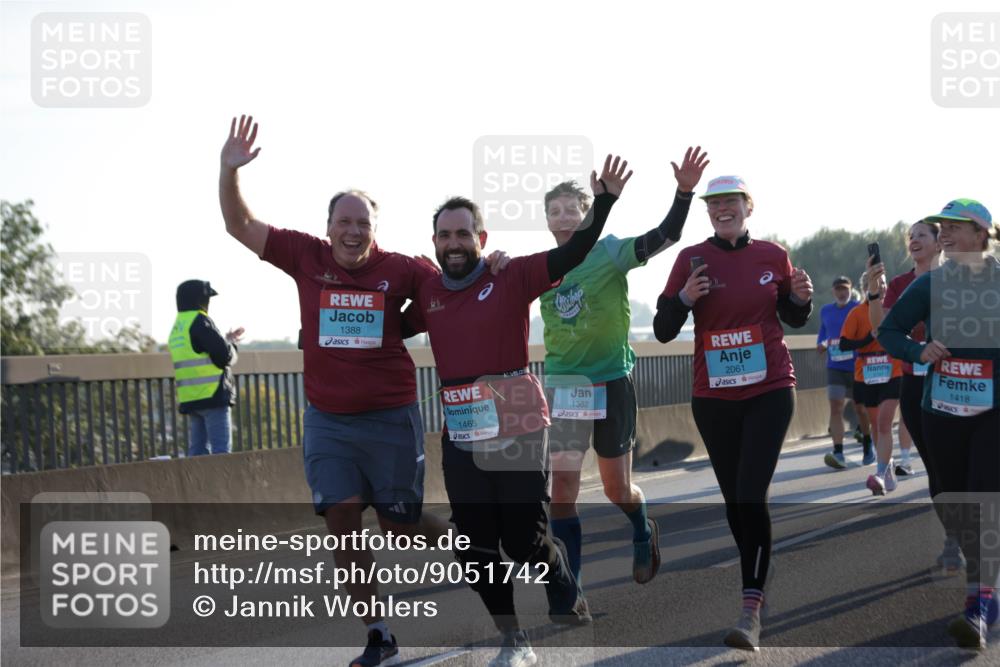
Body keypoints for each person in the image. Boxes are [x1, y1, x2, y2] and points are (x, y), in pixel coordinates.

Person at [218, 115, 504, 667]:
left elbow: (454, 282)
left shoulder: (402, 268)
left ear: (375, 229)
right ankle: (378, 633)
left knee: (398, 526)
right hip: (328, 421)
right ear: (328, 228)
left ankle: (468, 545)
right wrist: (229, 171)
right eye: (344, 222)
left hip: (390, 417)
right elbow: (239, 224)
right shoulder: (304, 256)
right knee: (342, 521)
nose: (353, 232)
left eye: (363, 224)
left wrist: (491, 263)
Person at [404, 155, 631, 667]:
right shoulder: (429, 293)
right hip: (463, 436)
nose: (454, 243)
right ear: (435, 243)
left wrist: (608, 202)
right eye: (444, 235)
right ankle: (514, 638)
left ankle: (561, 579)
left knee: (523, 542)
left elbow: (573, 252)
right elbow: (384, 325)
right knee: (474, 550)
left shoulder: (512, 275)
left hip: (521, 428)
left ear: (481, 240)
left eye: (464, 234)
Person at [653, 175, 813, 651]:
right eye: (715, 203)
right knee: (734, 502)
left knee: (750, 493)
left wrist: (800, 299)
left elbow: (794, 315)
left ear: (748, 207)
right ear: (708, 212)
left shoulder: (772, 255)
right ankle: (757, 581)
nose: (723, 209)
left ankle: (750, 608)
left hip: (769, 388)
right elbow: (662, 330)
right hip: (714, 396)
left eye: (731, 202)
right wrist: (685, 299)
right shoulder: (690, 260)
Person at [541, 146, 709, 591]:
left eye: (571, 210)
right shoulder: (541, 269)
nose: (562, 218)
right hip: (564, 388)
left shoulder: (610, 252)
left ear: (586, 213)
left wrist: (684, 193)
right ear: (546, 220)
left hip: (611, 381)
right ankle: (570, 584)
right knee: (562, 489)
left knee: (618, 490)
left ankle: (641, 528)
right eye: (554, 212)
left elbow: (665, 236)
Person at [879, 198, 1000, 649]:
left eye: (955, 227)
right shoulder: (932, 283)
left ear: (981, 234)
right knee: (951, 499)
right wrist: (918, 351)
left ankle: (978, 601)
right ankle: (986, 589)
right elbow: (888, 332)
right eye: (941, 227)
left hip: (993, 411)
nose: (945, 234)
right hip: (941, 410)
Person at [866, 220, 962, 567]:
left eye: (922, 235)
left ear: (940, 243)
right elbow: (882, 329)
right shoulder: (900, 284)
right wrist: (874, 293)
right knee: (937, 469)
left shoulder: (959, 278)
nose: (914, 240)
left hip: (959, 382)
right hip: (916, 384)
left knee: (967, 465)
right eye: (910, 236)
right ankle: (954, 538)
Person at [839, 270, 903, 495]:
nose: (883, 287)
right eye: (878, 283)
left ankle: (880, 472)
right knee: (876, 426)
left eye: (884, 283)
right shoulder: (857, 313)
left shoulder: (893, 309)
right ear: (868, 287)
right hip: (866, 374)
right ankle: (887, 468)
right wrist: (869, 338)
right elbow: (844, 344)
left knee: (885, 422)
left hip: (893, 371)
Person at [168, 279, 242, 456]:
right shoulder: (200, 321)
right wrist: (232, 346)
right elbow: (223, 356)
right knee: (221, 454)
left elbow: (199, 349)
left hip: (192, 398)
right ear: (201, 299)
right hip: (213, 395)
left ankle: (197, 485)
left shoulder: (179, 325)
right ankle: (221, 485)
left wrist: (227, 339)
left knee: (198, 453)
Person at [816, 276, 871, 468]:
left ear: (851, 289)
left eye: (845, 289)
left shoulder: (858, 308)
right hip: (835, 367)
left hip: (857, 366)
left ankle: (867, 442)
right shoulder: (825, 311)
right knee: (836, 406)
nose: (842, 293)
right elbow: (823, 336)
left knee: (861, 409)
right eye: (838, 289)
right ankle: (838, 452)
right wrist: (821, 345)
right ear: (833, 291)